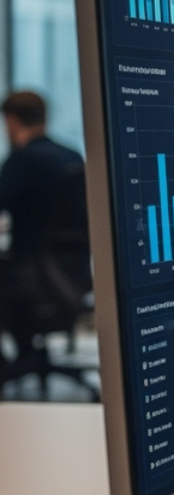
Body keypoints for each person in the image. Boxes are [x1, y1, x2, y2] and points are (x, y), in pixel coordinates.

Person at [0, 91, 88, 386]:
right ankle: (26, 357)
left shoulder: (23, 159)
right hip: (72, 277)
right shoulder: (72, 154)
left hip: (30, 279)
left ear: (11, 121)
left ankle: (17, 361)